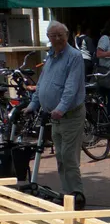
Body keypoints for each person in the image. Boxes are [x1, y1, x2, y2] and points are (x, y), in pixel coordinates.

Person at [26, 21, 87, 209]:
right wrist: (33, 104)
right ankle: (68, 193)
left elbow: (71, 88)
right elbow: (42, 83)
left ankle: (77, 194)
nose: (57, 39)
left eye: (61, 35)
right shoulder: (50, 56)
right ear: (49, 38)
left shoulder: (74, 57)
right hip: (55, 117)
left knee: (68, 156)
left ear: (67, 36)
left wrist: (60, 108)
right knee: (60, 156)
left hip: (69, 115)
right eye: (53, 36)